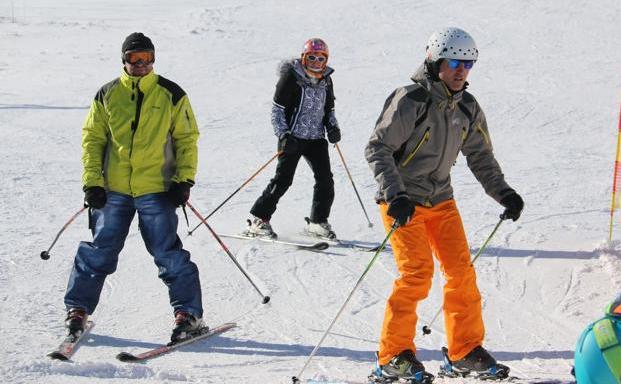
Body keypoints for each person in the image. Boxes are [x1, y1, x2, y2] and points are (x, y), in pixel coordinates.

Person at [365, 27, 524, 381]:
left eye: (468, 64)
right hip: (404, 201)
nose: (461, 71)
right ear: (436, 61)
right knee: (417, 275)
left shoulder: (466, 107)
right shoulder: (410, 100)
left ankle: (464, 350)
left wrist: (504, 193)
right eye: (454, 62)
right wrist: (396, 194)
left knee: (461, 273)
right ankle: (393, 355)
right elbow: (378, 148)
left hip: (441, 201)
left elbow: (481, 157)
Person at [63, 32, 204, 343]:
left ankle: (187, 314)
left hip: (157, 189)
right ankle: (78, 310)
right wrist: (93, 182)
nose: (142, 64)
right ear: (124, 60)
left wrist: (184, 180)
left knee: (167, 253)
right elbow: (93, 139)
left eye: (148, 58)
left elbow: (186, 139)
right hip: (113, 190)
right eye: (135, 59)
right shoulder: (108, 94)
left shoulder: (171, 93)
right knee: (99, 251)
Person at [246, 38, 342, 240]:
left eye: (321, 58)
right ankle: (259, 219)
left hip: (316, 137)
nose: (316, 61)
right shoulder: (291, 77)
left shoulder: (327, 79)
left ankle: (317, 222)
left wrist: (332, 127)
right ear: (304, 57)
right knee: (283, 179)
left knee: (326, 181)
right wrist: (284, 135)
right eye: (312, 57)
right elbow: (277, 110)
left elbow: (329, 109)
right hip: (294, 138)